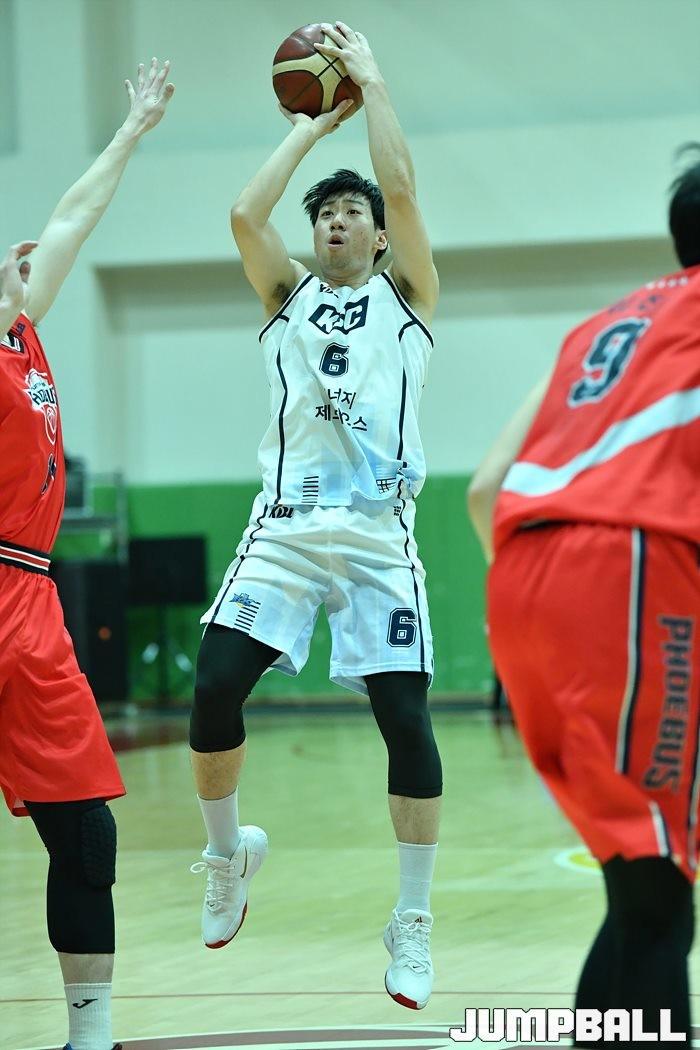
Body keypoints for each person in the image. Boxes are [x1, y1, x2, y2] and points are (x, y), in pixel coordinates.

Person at [189, 22, 441, 1011]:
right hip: (287, 528)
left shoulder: (408, 297)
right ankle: (227, 857)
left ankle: (411, 920)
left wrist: (371, 84)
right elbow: (243, 214)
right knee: (214, 688)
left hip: (379, 535)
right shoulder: (286, 296)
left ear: (378, 237)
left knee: (405, 721)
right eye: (326, 212)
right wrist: (309, 123)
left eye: (351, 212)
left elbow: (404, 190)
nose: (337, 221)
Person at [467, 150, 700, 1045]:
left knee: (641, 886)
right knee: (655, 898)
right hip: (628, 571)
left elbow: (484, 489)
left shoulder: (602, 325)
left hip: (525, 582)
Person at [0, 59, 174, 1050]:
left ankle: (90, 1035)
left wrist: (132, 129)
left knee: (85, 831)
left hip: (29, 601)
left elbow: (73, 215)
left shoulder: (22, 334)